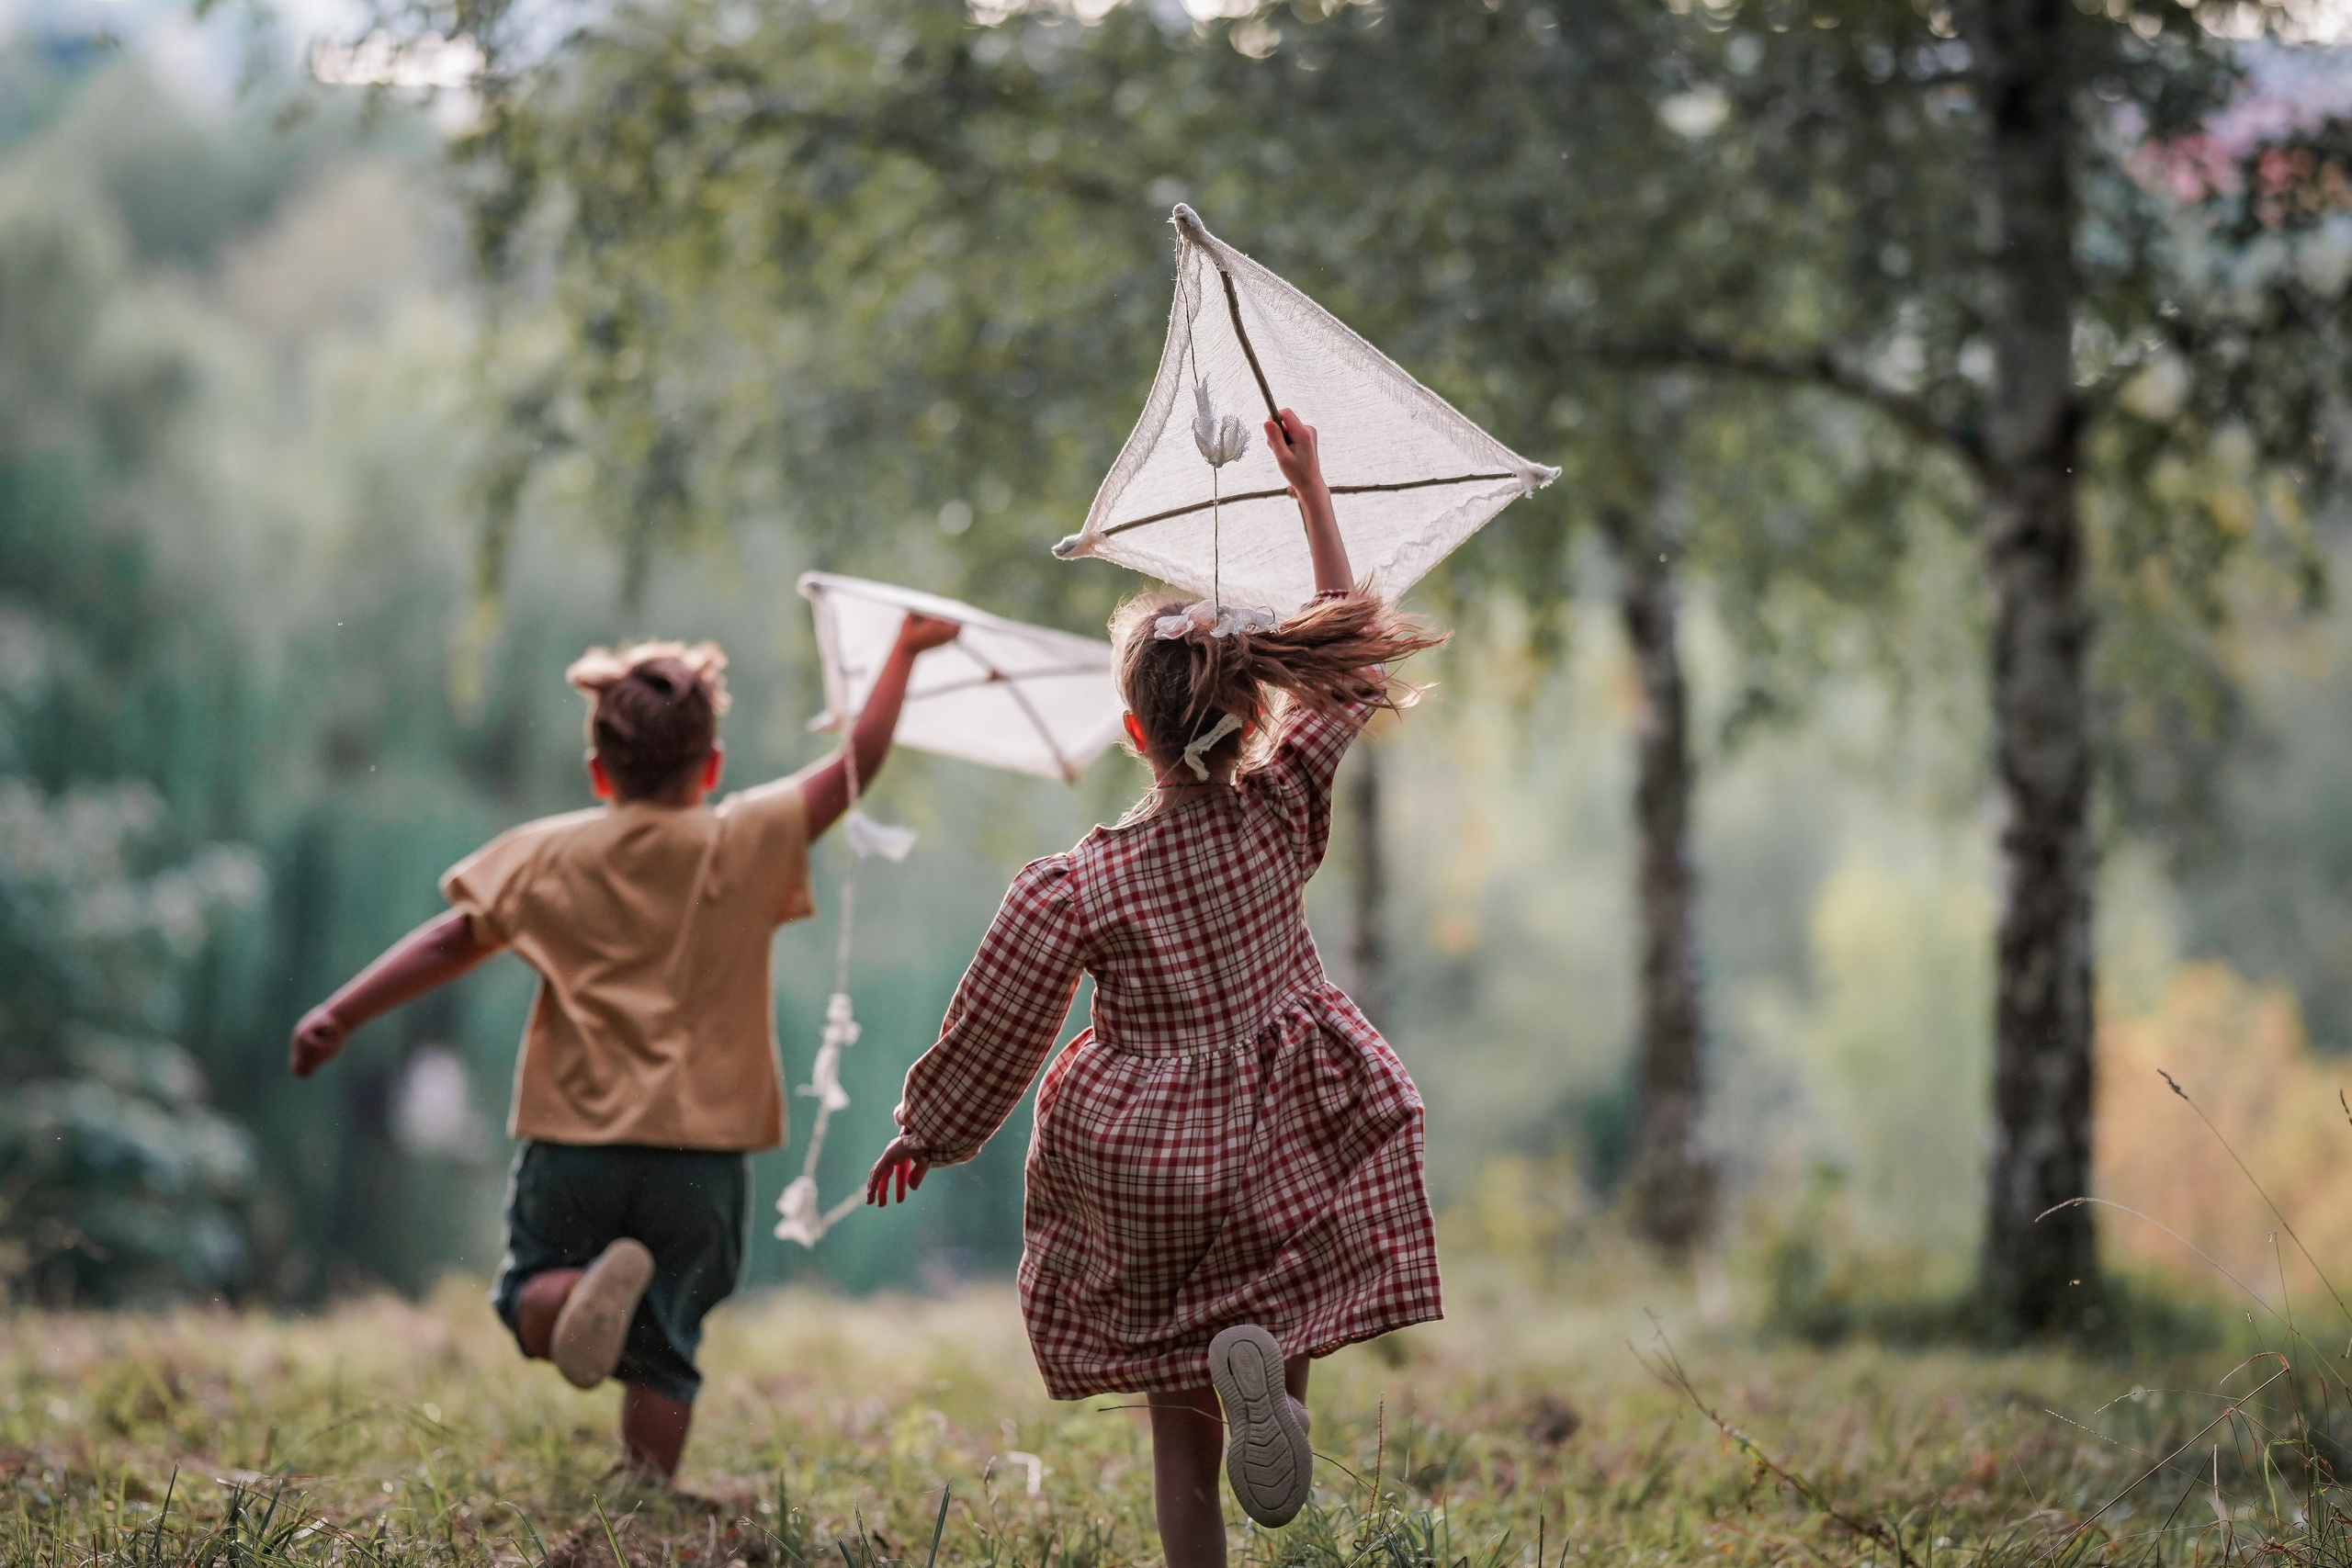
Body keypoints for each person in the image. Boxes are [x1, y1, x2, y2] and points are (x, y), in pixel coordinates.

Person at [865, 411, 1445, 1568]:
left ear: (1131, 730)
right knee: (1285, 1297)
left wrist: (929, 1129)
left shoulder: (1078, 885)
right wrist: (1308, 487)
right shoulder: (1281, 805)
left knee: (1175, 1450)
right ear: (1256, 708)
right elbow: (1356, 668)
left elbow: (1001, 1021)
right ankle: (1274, 1395)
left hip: (1153, 1168)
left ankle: (1225, 1440)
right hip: (1285, 1125)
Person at [288, 614, 958, 1481]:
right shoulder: (742, 837)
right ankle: (647, 1489)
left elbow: (451, 941)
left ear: (599, 771)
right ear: (711, 766)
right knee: (668, 1338)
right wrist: (901, 652)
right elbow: (853, 766)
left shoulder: (549, 853)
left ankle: (570, 1294)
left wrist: (340, 1013)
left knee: (524, 1290)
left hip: (577, 1142)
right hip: (702, 1157)